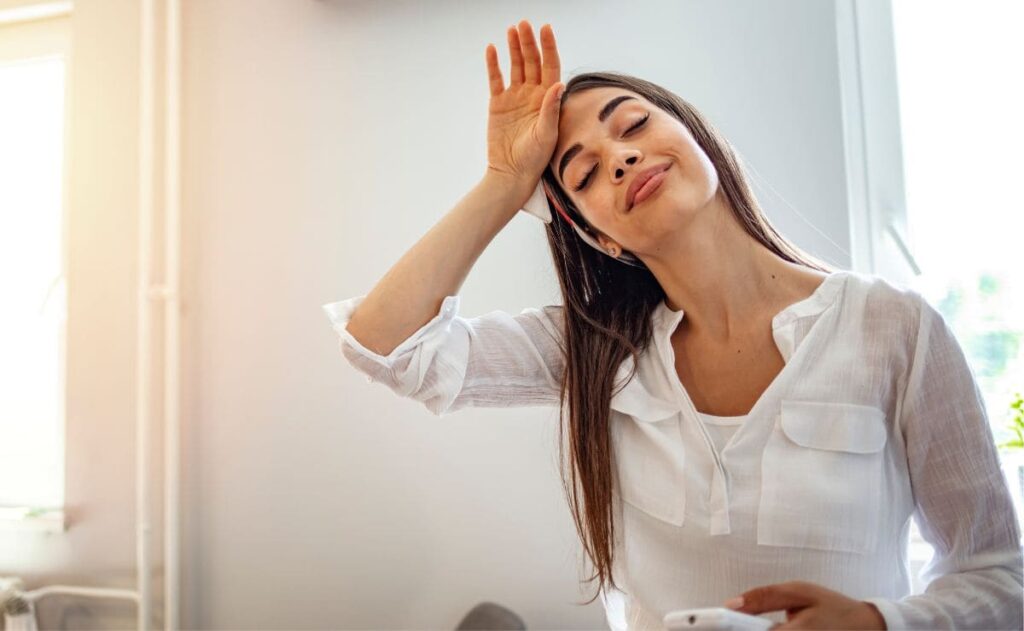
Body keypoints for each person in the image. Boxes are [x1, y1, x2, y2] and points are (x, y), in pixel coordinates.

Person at [322, 19, 1023, 631]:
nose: (620, 157)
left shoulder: (893, 327)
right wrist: (505, 181)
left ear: (698, 139)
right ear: (601, 238)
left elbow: (999, 578)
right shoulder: (596, 349)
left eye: (632, 126)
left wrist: (877, 621)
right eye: (583, 172)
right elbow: (385, 344)